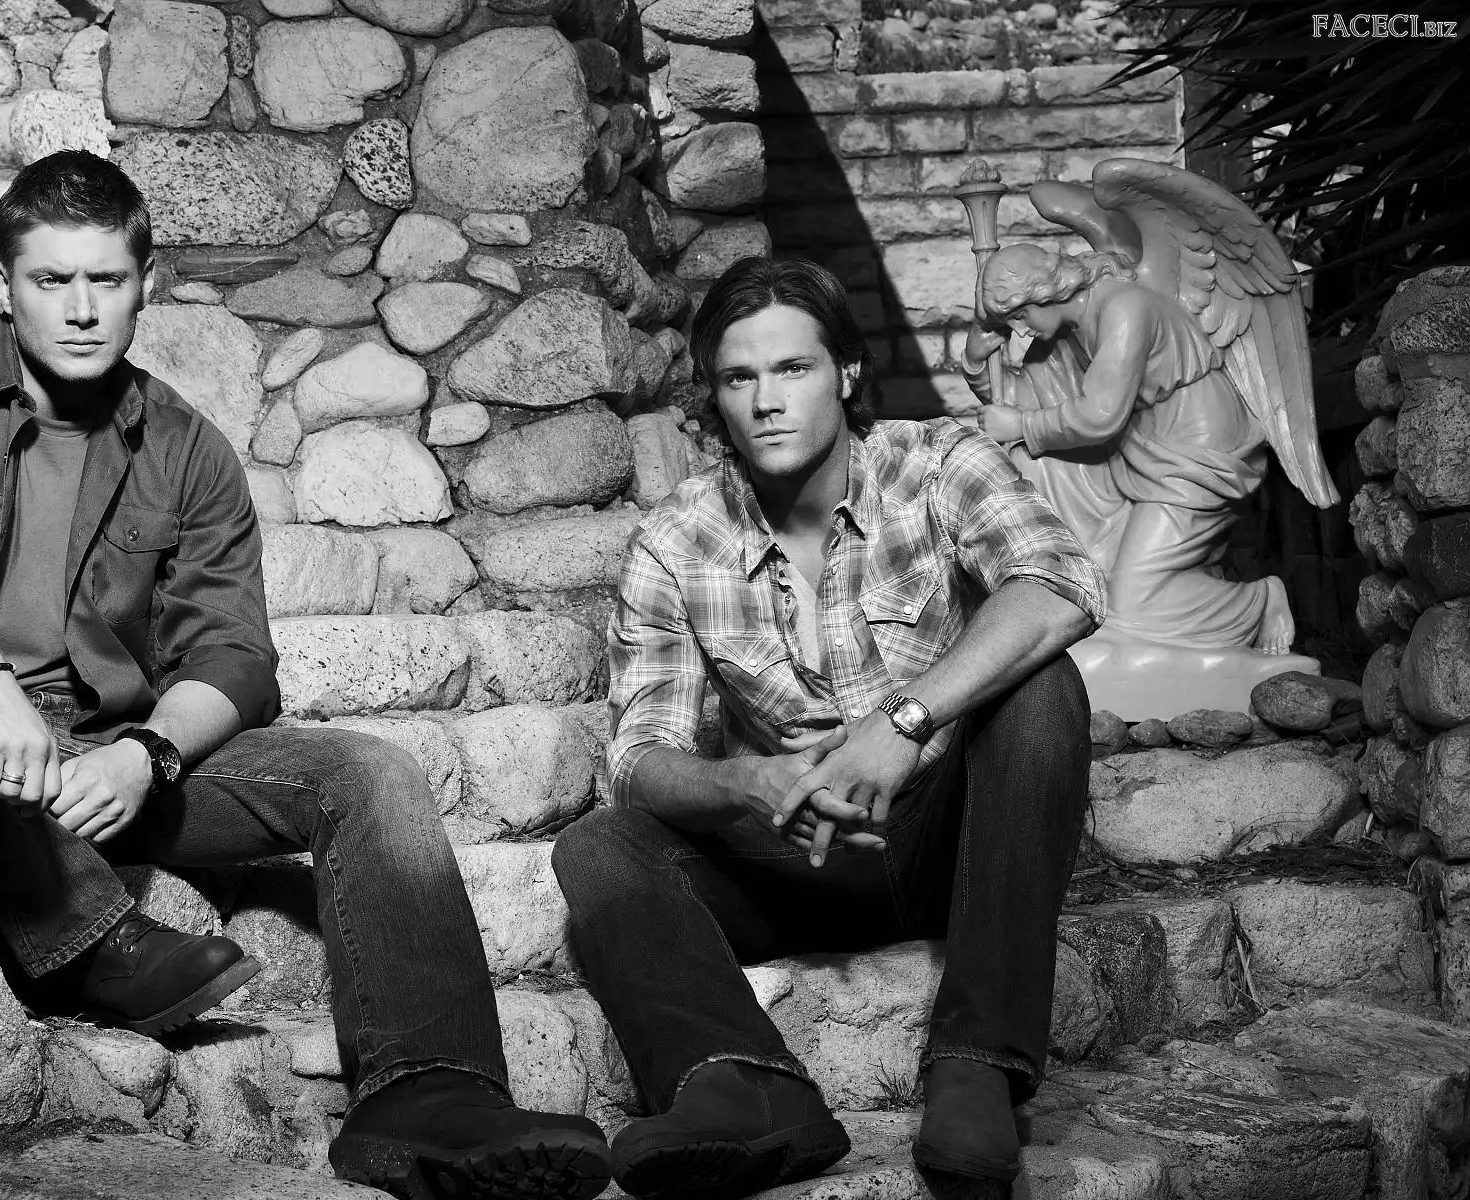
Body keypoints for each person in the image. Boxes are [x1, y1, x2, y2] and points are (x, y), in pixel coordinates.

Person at [0, 151, 611, 1200]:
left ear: (147, 282)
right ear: (1, 283)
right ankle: (89, 939)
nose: (80, 309)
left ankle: (431, 1101)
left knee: (370, 773)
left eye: (105, 280)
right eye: (51, 280)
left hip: (99, 754)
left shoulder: (184, 447)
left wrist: (147, 753)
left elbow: (233, 654)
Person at [551, 256, 1107, 1198]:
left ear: (846, 372)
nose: (767, 401)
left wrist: (902, 721)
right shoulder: (676, 540)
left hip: (955, 845)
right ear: (717, 396)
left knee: (1043, 688)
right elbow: (639, 758)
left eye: (793, 369)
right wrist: (747, 783)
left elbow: (1059, 586)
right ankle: (745, 1090)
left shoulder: (938, 463)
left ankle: (976, 1069)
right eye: (739, 377)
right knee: (600, 846)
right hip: (802, 854)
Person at [962, 243, 1294, 653]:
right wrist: (976, 362)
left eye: (1020, 314)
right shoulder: (1065, 331)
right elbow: (1027, 401)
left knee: (1134, 602)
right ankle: (1152, 587)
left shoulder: (1124, 307)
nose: (1019, 330)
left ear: (1046, 292)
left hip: (1195, 445)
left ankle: (1258, 600)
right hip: (1135, 448)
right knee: (1031, 461)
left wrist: (1022, 425)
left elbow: (1099, 414)